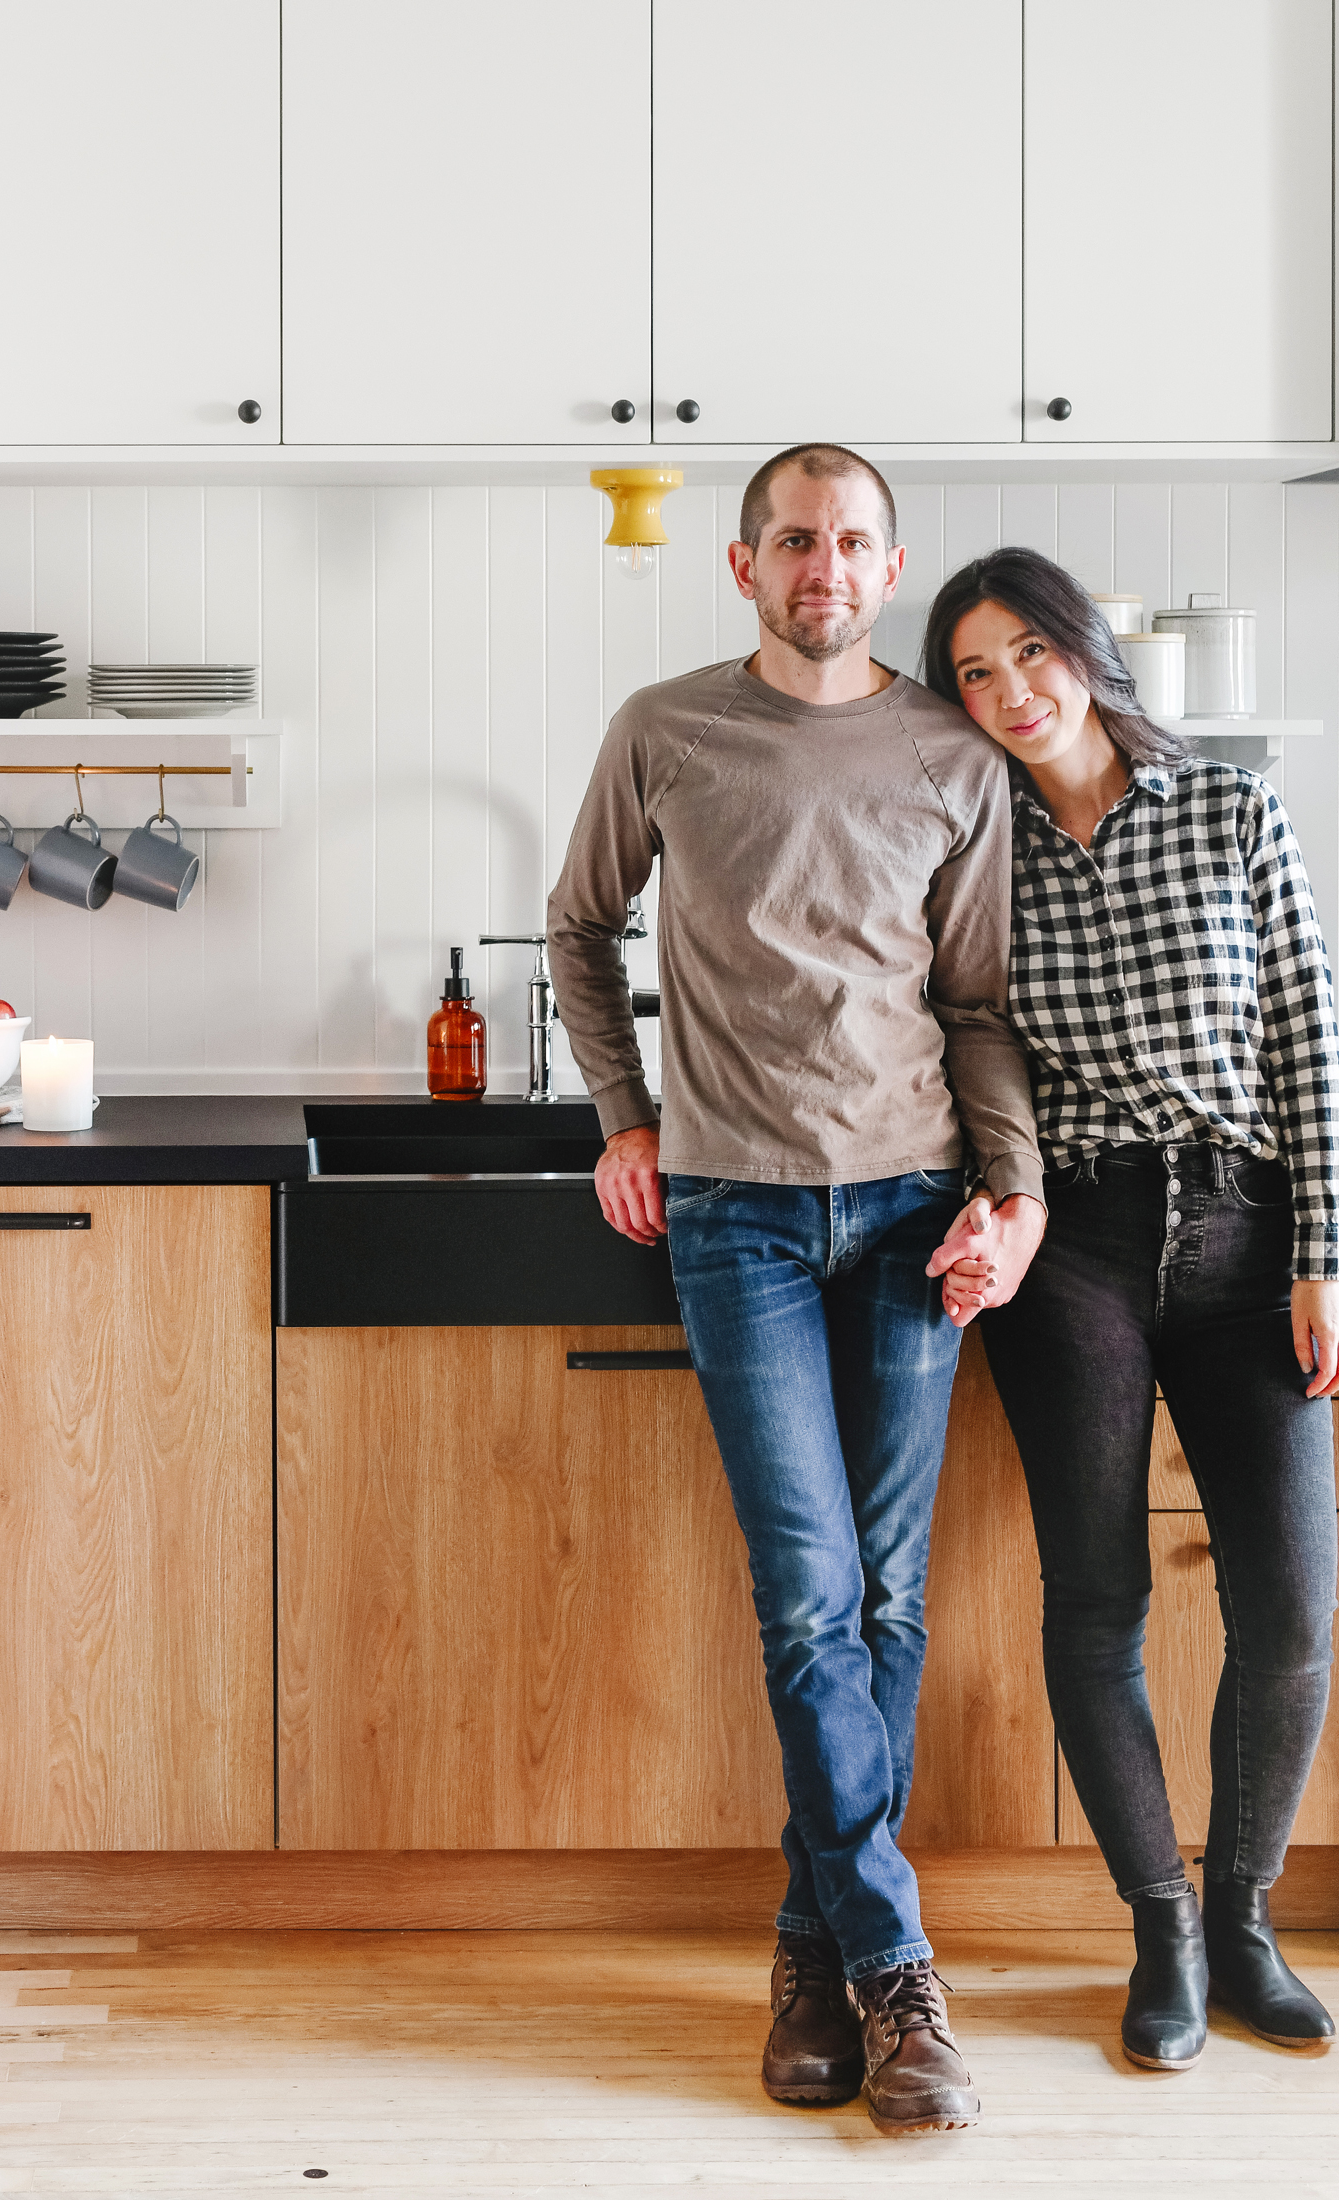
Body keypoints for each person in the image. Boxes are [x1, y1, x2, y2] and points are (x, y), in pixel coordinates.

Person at [547, 443, 1045, 2135]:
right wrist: (625, 1116)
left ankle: (809, 1953)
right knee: (809, 1593)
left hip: (913, 1214)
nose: (821, 567)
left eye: (850, 543)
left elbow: (976, 1003)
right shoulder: (664, 730)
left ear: (888, 568)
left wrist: (1011, 1188)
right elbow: (575, 928)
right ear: (744, 568)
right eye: (791, 543)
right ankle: (902, 1970)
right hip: (736, 1218)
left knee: (887, 1599)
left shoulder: (950, 752)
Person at [920, 546, 1339, 2072]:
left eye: (1027, 652)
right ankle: (1158, 1928)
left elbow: (1309, 1031)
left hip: (1246, 1230)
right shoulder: (978, 856)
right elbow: (975, 1054)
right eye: (974, 672)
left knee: (1294, 1610)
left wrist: (1323, 1256)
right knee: (1098, 1606)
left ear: (1087, 651)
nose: (1010, 691)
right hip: (1074, 1240)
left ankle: (1244, 1919)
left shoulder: (1232, 810)